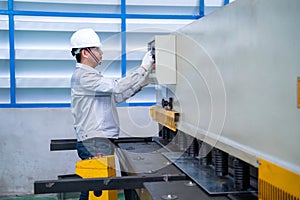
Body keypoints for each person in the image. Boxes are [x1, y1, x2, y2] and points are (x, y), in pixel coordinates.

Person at [70, 28, 154, 200]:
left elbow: (117, 96)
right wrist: (143, 67)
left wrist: (144, 81)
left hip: (100, 140)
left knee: (96, 189)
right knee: (96, 190)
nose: (101, 53)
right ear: (85, 53)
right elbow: (116, 87)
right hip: (94, 141)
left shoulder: (92, 77)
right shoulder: (83, 77)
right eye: (97, 50)